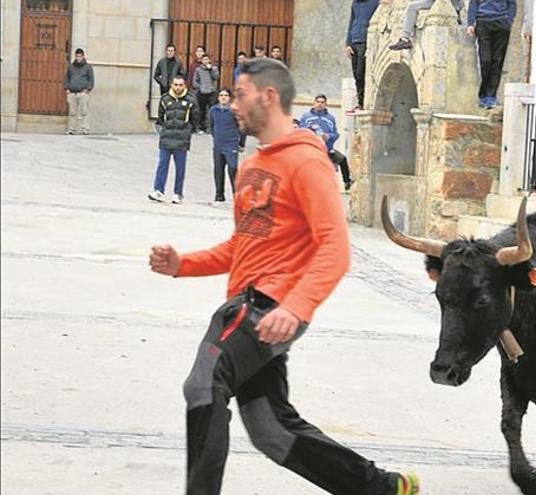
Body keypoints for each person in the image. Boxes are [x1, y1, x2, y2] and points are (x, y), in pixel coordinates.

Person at [148, 57, 420, 495]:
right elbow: (244, 245)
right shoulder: (256, 166)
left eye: (240, 95)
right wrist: (184, 264)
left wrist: (296, 306)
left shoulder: (307, 163)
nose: (233, 105)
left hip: (266, 306)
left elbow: (336, 249)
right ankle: (386, 489)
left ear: (268, 96)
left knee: (203, 384)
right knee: (272, 431)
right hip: (260, 308)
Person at [149, 75, 199, 204]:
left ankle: (178, 193)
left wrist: (187, 132)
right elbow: (160, 118)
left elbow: (195, 119)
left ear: (184, 86)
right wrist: (163, 130)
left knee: (180, 168)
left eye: (180, 85)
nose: (178, 87)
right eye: (175, 85)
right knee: (162, 165)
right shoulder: (165, 99)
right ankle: (158, 191)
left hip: (182, 139)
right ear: (172, 85)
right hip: (166, 138)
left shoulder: (191, 100)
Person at [466, 0, 516, 108]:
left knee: (497, 61)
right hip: (483, 22)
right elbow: (474, 3)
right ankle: (483, 94)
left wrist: (509, 21)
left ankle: (490, 97)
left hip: (501, 23)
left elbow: (512, 3)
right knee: (485, 60)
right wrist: (470, 23)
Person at [300, 94, 353, 191]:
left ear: (325, 104)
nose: (320, 104)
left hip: (327, 149)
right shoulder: (306, 116)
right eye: (318, 102)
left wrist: (328, 137)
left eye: (322, 102)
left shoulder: (330, 118)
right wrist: (310, 129)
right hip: (311, 148)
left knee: (342, 159)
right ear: (314, 103)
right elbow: (300, 130)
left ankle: (347, 182)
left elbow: (336, 134)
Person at [345, 0, 380, 114]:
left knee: (362, 73)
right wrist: (348, 43)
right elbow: (351, 23)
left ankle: (364, 103)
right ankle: (360, 103)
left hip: (366, 41)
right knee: (356, 75)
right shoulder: (355, 3)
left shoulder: (376, 2)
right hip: (354, 41)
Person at [207, 88, 240, 202]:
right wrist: (216, 138)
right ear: (218, 97)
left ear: (229, 98)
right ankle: (219, 194)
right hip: (218, 145)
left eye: (226, 95)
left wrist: (240, 142)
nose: (223, 97)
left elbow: (241, 126)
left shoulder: (234, 111)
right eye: (221, 95)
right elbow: (211, 125)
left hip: (231, 144)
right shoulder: (213, 110)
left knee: (233, 168)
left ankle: (237, 194)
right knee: (218, 170)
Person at [389, 0, 462, 51]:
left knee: (412, 7)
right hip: (436, 2)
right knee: (412, 6)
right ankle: (405, 39)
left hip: (446, 5)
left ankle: (405, 39)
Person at [63, 48, 94, 135]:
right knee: (72, 112)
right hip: (72, 93)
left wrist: (87, 89)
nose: (79, 58)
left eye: (80, 56)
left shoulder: (88, 67)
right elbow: (66, 78)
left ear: (83, 56)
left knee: (84, 111)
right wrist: (67, 88)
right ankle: (71, 129)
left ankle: (85, 129)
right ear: (75, 57)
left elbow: (91, 79)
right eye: (77, 56)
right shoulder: (71, 67)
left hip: (83, 93)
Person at [193, 53, 220, 133]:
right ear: (201, 61)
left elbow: (216, 77)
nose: (205, 61)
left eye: (207, 60)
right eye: (204, 60)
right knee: (202, 111)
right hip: (202, 93)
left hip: (211, 92)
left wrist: (210, 69)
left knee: (212, 110)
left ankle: (211, 127)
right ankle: (202, 127)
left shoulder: (214, 68)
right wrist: (200, 87)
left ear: (209, 60)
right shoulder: (198, 70)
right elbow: (194, 81)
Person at [233, 51, 249, 152]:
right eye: (239, 59)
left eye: (243, 58)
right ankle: (236, 141)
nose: (241, 61)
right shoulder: (237, 70)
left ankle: (242, 143)